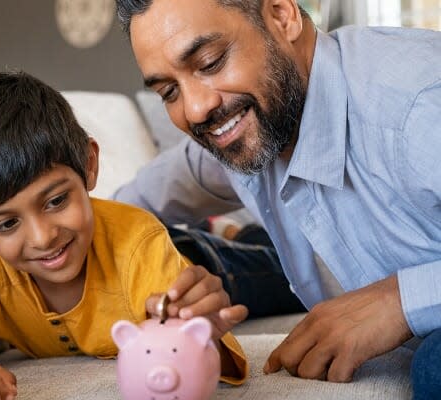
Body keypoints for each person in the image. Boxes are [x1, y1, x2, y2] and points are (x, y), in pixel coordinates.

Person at [113, 0, 441, 398]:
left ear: (282, 15)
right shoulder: (236, 133)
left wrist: (400, 300)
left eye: (212, 62)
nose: (196, 109)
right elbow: (114, 214)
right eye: (169, 91)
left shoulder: (419, 106)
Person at [0, 71, 250, 400]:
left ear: (89, 164)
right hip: (153, 241)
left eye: (56, 200)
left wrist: (203, 332)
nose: (42, 237)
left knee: (264, 266)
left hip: (200, 261)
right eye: (6, 224)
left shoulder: (138, 243)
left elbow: (200, 339)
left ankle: (232, 234)